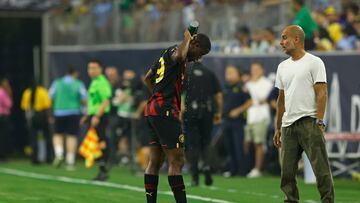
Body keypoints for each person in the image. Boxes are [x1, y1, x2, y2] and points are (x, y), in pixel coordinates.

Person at [143, 30, 211, 203]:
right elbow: (180, 55)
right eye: (200, 53)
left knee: (155, 161)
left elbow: (147, 78)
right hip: (165, 111)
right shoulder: (177, 51)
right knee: (177, 161)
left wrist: (158, 96)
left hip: (153, 109)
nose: (197, 59)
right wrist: (188, 36)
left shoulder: (166, 54)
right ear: (194, 44)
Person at [273, 25, 334, 203]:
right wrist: (277, 127)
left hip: (309, 122)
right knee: (287, 173)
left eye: (284, 38)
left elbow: (322, 93)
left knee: (321, 170)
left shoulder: (314, 62)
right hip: (287, 126)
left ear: (297, 39)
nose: (281, 42)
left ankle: (328, 201)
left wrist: (320, 120)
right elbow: (281, 100)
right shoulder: (282, 67)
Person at [182, 59, 223, 186]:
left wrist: (180, 108)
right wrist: (218, 112)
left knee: (193, 144)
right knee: (206, 142)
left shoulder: (186, 73)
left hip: (191, 111)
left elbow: (178, 92)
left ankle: (195, 177)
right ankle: (206, 166)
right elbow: (219, 96)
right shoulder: (210, 73)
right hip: (207, 110)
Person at [49, 67, 87, 170]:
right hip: (73, 112)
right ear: (75, 73)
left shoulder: (57, 83)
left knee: (57, 134)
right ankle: (70, 161)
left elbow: (50, 97)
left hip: (59, 112)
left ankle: (59, 153)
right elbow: (84, 99)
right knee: (72, 136)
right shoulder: (78, 84)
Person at [81, 59, 112, 181]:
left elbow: (105, 101)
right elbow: (94, 102)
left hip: (101, 116)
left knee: (100, 141)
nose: (91, 70)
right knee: (97, 142)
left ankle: (104, 169)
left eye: (94, 68)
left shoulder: (101, 82)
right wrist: (87, 116)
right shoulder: (94, 82)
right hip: (94, 115)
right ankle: (102, 169)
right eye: (89, 68)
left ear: (100, 69)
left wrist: (97, 116)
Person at [222, 65, 252, 177]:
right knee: (229, 146)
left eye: (231, 72)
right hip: (226, 120)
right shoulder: (225, 87)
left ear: (238, 74)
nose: (229, 74)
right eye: (227, 72)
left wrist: (238, 110)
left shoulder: (241, 87)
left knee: (238, 146)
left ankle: (242, 171)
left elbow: (250, 102)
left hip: (237, 122)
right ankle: (232, 169)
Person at [245, 62, 273, 178]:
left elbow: (262, 98)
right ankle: (248, 166)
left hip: (261, 116)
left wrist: (252, 85)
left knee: (259, 143)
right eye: (253, 69)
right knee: (248, 143)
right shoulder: (249, 83)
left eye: (257, 69)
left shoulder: (267, 83)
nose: (254, 71)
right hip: (251, 117)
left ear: (262, 70)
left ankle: (258, 168)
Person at [21, 80, 53, 164]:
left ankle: (34, 158)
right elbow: (47, 106)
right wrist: (49, 117)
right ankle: (48, 157)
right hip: (42, 115)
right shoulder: (42, 91)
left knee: (33, 138)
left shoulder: (27, 92)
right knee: (47, 137)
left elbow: (25, 107)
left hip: (32, 116)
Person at [0, 77, 12, 161]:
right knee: (3, 137)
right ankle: (2, 155)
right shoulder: (2, 92)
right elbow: (8, 104)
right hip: (3, 116)